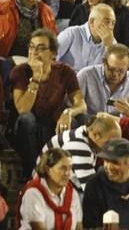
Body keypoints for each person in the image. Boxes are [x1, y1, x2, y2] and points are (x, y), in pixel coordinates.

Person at [11, 29, 87, 177]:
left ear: (53, 54)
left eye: (41, 48)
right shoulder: (20, 71)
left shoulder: (65, 71)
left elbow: (81, 105)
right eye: (31, 47)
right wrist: (36, 78)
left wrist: (68, 112)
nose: (34, 52)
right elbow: (22, 109)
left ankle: (75, 173)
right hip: (27, 128)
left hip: (54, 124)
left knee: (83, 119)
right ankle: (33, 174)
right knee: (27, 120)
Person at [41, 114, 123, 190]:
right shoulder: (80, 146)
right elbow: (92, 190)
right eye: (109, 143)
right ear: (95, 135)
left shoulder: (87, 132)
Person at [17, 148, 82, 230]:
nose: (67, 173)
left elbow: (78, 226)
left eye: (70, 168)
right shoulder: (33, 193)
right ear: (48, 170)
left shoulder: (72, 193)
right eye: (62, 168)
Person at [77, 43, 129, 118]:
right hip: (90, 122)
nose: (115, 74)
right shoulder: (85, 75)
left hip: (117, 124)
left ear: (128, 66)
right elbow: (73, 107)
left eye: (121, 71)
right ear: (104, 62)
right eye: (111, 69)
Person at [57, 3, 117, 70]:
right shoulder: (71, 33)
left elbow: (114, 72)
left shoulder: (111, 42)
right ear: (92, 21)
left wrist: (109, 47)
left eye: (113, 23)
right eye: (107, 22)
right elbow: (51, 57)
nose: (110, 27)